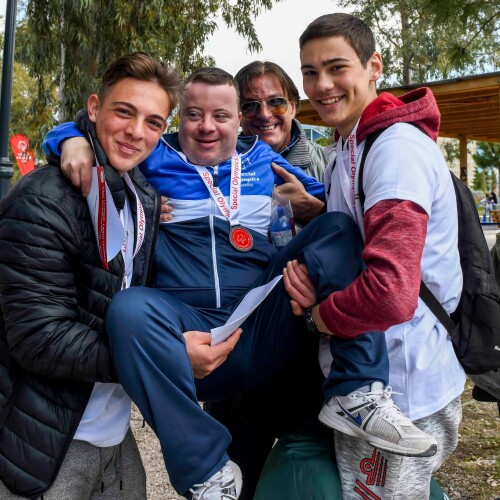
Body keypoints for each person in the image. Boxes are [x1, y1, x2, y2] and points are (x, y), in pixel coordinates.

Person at [43, 67, 432, 499]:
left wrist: (311, 209)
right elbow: (92, 127)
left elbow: (337, 214)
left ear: (237, 120)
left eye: (221, 115)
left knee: (338, 227)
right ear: (178, 119)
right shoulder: (154, 156)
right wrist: (71, 140)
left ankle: (357, 391)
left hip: (261, 321)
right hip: (188, 331)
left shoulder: (263, 159)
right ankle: (207, 473)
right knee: (129, 309)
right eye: (194, 114)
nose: (207, 126)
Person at [280, 13, 464, 499]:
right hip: (378, 378)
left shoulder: (395, 150)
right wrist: (316, 212)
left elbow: (390, 293)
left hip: (402, 387)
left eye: (336, 67)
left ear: (373, 66)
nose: (321, 85)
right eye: (309, 72)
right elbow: (365, 235)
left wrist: (319, 317)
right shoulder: (351, 141)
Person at [0, 53, 181, 499]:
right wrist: (157, 359)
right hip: (44, 439)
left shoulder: (142, 192)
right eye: (124, 111)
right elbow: (40, 338)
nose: (137, 132)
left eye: (154, 122)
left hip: (115, 435)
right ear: (95, 108)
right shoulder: (44, 199)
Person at [236, 60, 327, 181]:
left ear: (293, 108)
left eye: (276, 102)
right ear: (238, 114)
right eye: (250, 106)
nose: (265, 115)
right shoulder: (216, 166)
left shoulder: (332, 164)